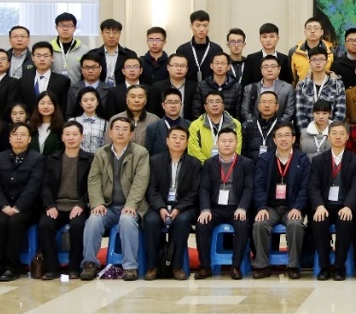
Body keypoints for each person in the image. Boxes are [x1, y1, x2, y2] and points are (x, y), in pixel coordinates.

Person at [80, 117, 150, 281]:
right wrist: (97, 203)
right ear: (110, 132)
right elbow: (93, 180)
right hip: (108, 206)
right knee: (93, 221)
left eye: (125, 129)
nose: (120, 132)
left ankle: (130, 267)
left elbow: (141, 181)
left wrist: (131, 204)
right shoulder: (101, 153)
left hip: (132, 206)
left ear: (131, 134)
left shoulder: (141, 153)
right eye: (117, 128)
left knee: (127, 221)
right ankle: (90, 264)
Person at [251, 122, 312, 279]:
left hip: (292, 207)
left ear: (293, 139)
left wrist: (298, 208)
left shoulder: (302, 159)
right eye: (279, 136)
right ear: (274, 140)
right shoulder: (265, 159)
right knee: (259, 224)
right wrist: (261, 207)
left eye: (287, 135)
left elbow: (305, 188)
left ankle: (293, 265)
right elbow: (258, 186)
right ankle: (262, 265)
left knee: (295, 225)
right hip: (270, 207)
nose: (283, 139)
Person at [194, 128, 255, 280]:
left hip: (236, 207)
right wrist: (205, 209)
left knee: (242, 224)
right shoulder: (209, 163)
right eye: (223, 141)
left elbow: (249, 188)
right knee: (202, 223)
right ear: (217, 143)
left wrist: (242, 207)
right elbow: (204, 188)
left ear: (236, 143)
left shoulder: (246, 163)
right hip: (215, 208)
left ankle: (236, 266)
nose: (227, 144)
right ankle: (205, 266)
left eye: (230, 141)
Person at [142, 125, 201, 281]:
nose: (177, 141)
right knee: (151, 221)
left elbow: (194, 192)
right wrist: (161, 208)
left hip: (184, 207)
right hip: (159, 205)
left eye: (182, 138)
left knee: (182, 221)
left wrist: (179, 209)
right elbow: (151, 190)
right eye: (174, 137)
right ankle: (153, 266)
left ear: (187, 143)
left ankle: (177, 266)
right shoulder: (155, 161)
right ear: (167, 141)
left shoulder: (194, 164)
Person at [0, 123, 44, 282]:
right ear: (9, 138)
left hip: (28, 208)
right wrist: (4, 206)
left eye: (23, 134)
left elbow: (33, 187)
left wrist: (18, 207)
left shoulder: (37, 159)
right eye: (15, 134)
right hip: (4, 206)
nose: (19, 138)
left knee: (14, 222)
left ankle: (12, 267)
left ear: (30, 139)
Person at [36, 121, 91, 280]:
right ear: (62, 137)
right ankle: (52, 268)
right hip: (56, 205)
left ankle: (75, 268)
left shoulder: (90, 159)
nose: (71, 138)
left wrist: (81, 204)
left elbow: (92, 187)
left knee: (78, 226)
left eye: (75, 134)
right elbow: (45, 185)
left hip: (78, 206)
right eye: (67, 134)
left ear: (81, 137)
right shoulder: (52, 159)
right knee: (45, 225)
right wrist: (49, 205)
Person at [311, 121, 356, 281]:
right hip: (325, 206)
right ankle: (324, 267)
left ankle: (339, 267)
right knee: (319, 221)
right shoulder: (318, 160)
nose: (338, 137)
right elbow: (313, 187)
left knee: (345, 222)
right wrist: (319, 206)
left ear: (347, 136)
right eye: (334, 133)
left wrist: (348, 206)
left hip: (345, 205)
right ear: (328, 136)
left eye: (342, 133)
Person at [295, 45, 348, 132]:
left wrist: (332, 132)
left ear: (327, 61)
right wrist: (306, 133)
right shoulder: (302, 85)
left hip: (331, 134)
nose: (318, 62)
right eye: (314, 59)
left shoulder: (337, 84)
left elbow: (340, 112)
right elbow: (299, 113)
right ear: (309, 62)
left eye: (321, 59)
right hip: (308, 133)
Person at [188, 91, 243, 163]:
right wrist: (208, 165)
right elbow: (193, 150)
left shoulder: (235, 124)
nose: (215, 105)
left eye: (218, 101)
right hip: (203, 167)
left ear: (223, 105)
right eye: (211, 102)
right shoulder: (195, 125)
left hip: (229, 166)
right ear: (205, 106)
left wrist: (226, 164)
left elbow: (237, 148)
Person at [240, 55, 294, 126]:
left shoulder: (288, 88)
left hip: (279, 127)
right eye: (265, 67)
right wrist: (255, 125)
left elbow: (289, 113)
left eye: (273, 66)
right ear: (261, 69)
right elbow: (245, 111)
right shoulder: (250, 88)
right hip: (255, 127)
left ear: (279, 69)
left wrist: (277, 126)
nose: (269, 69)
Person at [20, 41, 73, 115]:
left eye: (45, 56)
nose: (42, 59)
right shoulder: (23, 81)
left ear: (52, 58)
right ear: (32, 58)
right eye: (38, 56)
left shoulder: (62, 81)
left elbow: (63, 106)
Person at [175, 10, 225, 84]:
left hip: (211, 88)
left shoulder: (216, 49)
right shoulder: (182, 50)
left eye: (205, 25)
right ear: (191, 26)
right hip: (189, 88)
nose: (201, 29)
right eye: (198, 25)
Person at [85, 18, 138, 87]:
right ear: (102, 34)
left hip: (122, 91)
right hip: (98, 91)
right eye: (107, 32)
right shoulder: (93, 54)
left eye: (115, 32)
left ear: (120, 34)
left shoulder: (129, 55)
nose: (111, 36)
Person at [244, 22, 296, 87]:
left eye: (272, 36)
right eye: (264, 37)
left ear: (278, 38)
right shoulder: (251, 59)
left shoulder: (284, 59)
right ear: (260, 39)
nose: (268, 40)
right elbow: (246, 83)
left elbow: (289, 82)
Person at [143, 89, 190, 156]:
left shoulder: (189, 126)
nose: (173, 106)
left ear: (181, 105)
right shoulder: (153, 128)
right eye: (169, 102)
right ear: (163, 105)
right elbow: (147, 153)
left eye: (176, 102)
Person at [197, 53, 243, 120]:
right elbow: (196, 111)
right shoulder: (201, 86)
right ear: (211, 66)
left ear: (228, 66)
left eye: (223, 63)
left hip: (229, 124)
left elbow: (237, 113)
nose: (219, 66)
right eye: (217, 63)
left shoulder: (236, 87)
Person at [289, 17, 333, 83]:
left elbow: (333, 74)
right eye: (309, 28)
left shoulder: (331, 51)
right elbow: (292, 78)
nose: (312, 31)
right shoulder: (294, 52)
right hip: (302, 88)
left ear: (322, 32)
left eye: (316, 28)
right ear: (305, 32)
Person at [66, 54, 110, 118]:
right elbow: (68, 114)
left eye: (94, 67)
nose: (90, 71)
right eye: (87, 67)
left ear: (100, 69)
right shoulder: (73, 89)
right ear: (82, 69)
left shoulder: (109, 90)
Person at [49, 13, 90, 79]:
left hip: (77, 85)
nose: (65, 28)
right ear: (56, 28)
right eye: (62, 26)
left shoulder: (85, 50)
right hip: (53, 85)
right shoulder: (48, 49)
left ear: (75, 28)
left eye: (69, 26)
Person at [28, 91, 66, 156]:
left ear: (55, 106)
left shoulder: (62, 127)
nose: (46, 106)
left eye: (49, 103)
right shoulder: (30, 126)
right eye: (42, 103)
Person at [72, 87, 108, 154]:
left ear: (97, 102)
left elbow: (107, 145)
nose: (89, 103)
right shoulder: (73, 121)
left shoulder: (105, 123)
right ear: (80, 103)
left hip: (97, 158)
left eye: (92, 100)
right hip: (78, 158)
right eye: (85, 100)